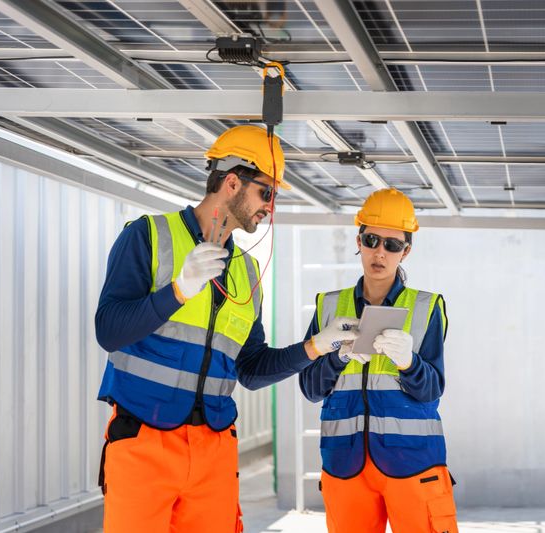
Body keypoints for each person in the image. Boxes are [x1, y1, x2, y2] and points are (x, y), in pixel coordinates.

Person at [94, 124, 356, 533]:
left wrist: (316, 347)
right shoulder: (147, 236)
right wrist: (178, 291)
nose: (269, 207)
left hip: (214, 449)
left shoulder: (248, 271)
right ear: (232, 182)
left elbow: (249, 370)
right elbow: (108, 331)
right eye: (265, 193)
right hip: (144, 440)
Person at [299, 188, 459, 533]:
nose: (380, 252)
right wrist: (337, 357)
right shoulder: (328, 306)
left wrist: (409, 363)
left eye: (392, 244)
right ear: (359, 240)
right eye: (371, 239)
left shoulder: (427, 307)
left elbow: (432, 390)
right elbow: (310, 388)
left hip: (414, 463)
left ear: (406, 251)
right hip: (345, 461)